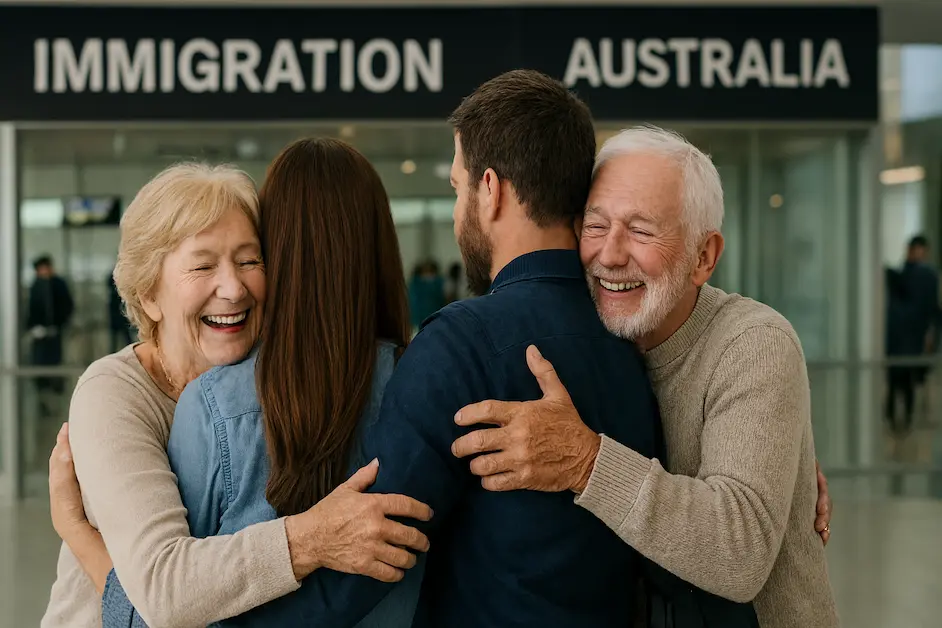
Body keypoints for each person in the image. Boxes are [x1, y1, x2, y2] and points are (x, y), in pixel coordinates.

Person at [94, 69, 666, 628]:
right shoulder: (630, 344)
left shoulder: (456, 348)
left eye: (457, 186)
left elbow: (374, 553)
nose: (455, 208)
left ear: (489, 190)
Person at [450, 125, 839, 628]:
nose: (610, 255)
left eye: (641, 230)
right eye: (595, 226)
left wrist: (587, 462)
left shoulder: (755, 342)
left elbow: (739, 552)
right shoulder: (584, 342)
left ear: (704, 256)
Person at [43, 163, 431, 628]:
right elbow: (164, 591)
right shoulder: (113, 393)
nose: (233, 288)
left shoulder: (271, 378)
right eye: (203, 266)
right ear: (149, 295)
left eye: (250, 260)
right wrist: (312, 537)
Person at [885, 235, 941, 434]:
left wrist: (931, 337)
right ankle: (894, 418)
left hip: (912, 336)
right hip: (898, 335)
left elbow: (933, 310)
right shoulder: (902, 274)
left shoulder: (926, 276)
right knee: (896, 380)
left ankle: (904, 419)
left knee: (907, 379)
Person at [27, 254, 74, 414]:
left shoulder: (58, 284)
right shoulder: (35, 285)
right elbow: (31, 309)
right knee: (39, 363)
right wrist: (33, 327)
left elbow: (67, 306)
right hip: (39, 334)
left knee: (55, 361)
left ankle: (56, 393)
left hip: (55, 332)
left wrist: (59, 324)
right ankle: (43, 397)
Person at [407, 259, 446, 330]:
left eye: (430, 270)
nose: (428, 273)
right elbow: (413, 299)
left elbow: (441, 297)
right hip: (420, 314)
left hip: (434, 313)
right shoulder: (416, 282)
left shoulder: (438, 282)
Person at [106, 268, 134, 352]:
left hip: (119, 317)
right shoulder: (116, 296)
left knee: (119, 338)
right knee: (120, 338)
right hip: (120, 317)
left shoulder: (113, 296)